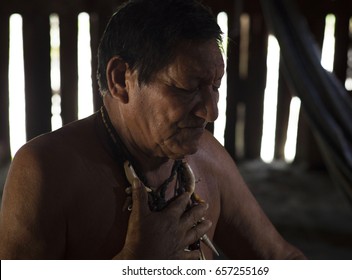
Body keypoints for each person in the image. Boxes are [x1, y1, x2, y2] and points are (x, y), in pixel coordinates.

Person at [0, 0, 305, 260]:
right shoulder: (45, 171)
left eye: (215, 87)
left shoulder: (208, 159)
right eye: (187, 87)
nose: (210, 111)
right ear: (121, 80)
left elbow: (280, 258)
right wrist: (136, 264)